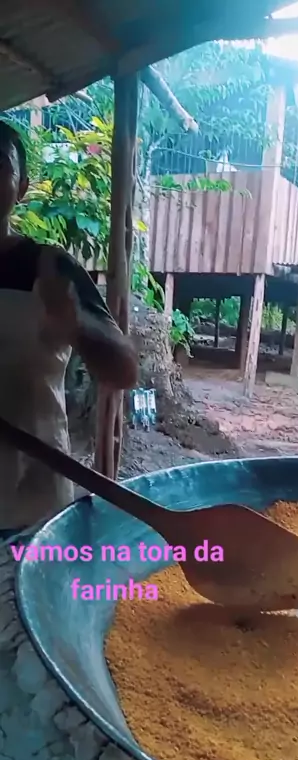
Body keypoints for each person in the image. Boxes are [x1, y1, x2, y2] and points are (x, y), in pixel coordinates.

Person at [0, 121, 138, 538]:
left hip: (31, 508)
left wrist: (76, 326)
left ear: (21, 187)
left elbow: (124, 370)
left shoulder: (47, 267)